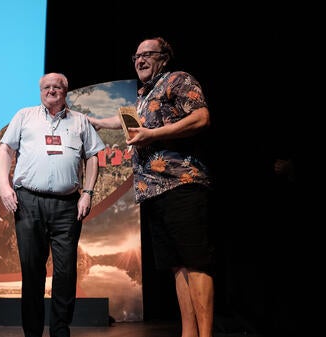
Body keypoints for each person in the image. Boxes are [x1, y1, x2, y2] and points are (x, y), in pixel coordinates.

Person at [88, 37, 215, 337]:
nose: (140, 60)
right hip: (155, 192)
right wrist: (93, 121)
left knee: (195, 263)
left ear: (164, 57)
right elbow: (124, 121)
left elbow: (202, 117)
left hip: (182, 183)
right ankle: (189, 333)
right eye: (136, 56)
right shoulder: (144, 96)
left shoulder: (178, 79)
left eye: (148, 54)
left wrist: (154, 134)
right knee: (177, 267)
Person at [0, 72, 104, 337]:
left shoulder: (80, 121)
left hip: (68, 205)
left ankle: (60, 330)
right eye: (46, 86)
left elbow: (92, 157)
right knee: (32, 270)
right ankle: (32, 332)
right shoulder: (24, 116)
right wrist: (4, 186)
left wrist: (87, 192)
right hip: (28, 201)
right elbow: (5, 150)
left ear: (65, 91)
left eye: (57, 86)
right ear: (40, 90)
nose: (51, 90)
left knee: (66, 271)